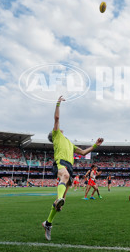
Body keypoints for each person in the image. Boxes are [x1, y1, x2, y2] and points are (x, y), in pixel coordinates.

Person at [42, 96, 104, 241]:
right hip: (61, 163)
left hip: (69, 167)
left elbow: (82, 152)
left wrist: (95, 146)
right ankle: (58, 199)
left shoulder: (68, 142)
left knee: (60, 203)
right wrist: (57, 103)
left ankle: (48, 223)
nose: (58, 128)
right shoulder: (57, 135)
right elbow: (56, 118)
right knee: (64, 177)